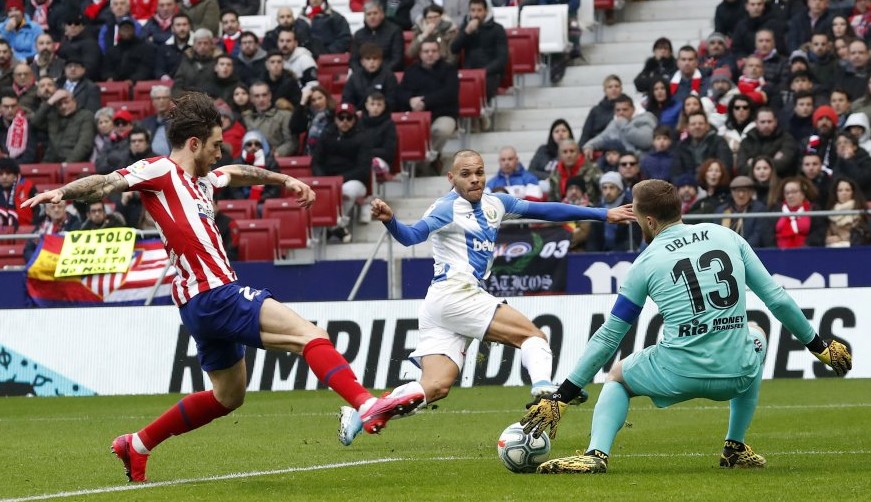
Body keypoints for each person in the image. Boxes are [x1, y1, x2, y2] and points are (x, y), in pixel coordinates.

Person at [21, 91, 424, 483]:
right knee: (310, 336)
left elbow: (237, 173)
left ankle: (138, 444)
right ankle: (366, 404)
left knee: (228, 396)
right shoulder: (160, 172)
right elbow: (106, 182)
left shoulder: (204, 181)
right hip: (213, 294)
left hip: (199, 305)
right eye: (215, 145)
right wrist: (64, 191)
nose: (220, 152)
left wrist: (283, 179)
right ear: (193, 143)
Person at [519, 178, 852, 474]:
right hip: (736, 374)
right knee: (757, 335)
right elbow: (776, 299)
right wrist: (818, 346)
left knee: (618, 376)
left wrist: (563, 396)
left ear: (648, 220)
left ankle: (596, 454)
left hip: (677, 373)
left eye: (635, 214)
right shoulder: (726, 236)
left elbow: (610, 335)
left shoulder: (645, 263)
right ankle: (734, 446)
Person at [336, 149, 635, 446]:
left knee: (436, 386)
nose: (475, 179)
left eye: (479, 172)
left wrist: (603, 214)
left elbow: (547, 210)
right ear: (451, 178)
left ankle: (362, 415)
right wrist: (391, 220)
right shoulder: (444, 208)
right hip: (456, 293)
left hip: (441, 303)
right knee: (532, 337)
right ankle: (545, 388)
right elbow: (412, 236)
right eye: (466, 175)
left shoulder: (497, 203)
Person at [809, 176, 871, 247]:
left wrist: (843, 238)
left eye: (847, 190)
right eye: (840, 190)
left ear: (853, 192)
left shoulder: (862, 213)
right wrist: (826, 239)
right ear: (835, 193)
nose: (844, 193)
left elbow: (865, 235)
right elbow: (816, 237)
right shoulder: (829, 214)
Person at [715, 175, 769, 248]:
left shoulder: (759, 209)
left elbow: (757, 235)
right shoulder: (722, 210)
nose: (741, 195)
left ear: (751, 192)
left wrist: (742, 249)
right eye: (737, 191)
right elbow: (717, 235)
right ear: (732, 192)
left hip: (751, 252)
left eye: (744, 191)